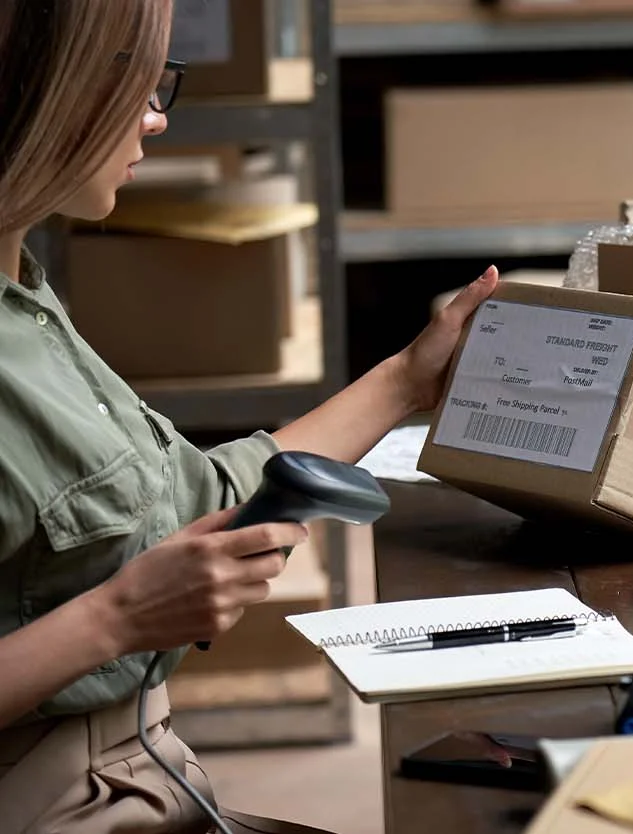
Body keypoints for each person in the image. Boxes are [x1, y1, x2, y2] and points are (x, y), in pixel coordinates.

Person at [0, 2, 499, 831]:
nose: (155, 116)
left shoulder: (26, 298)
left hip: (144, 773)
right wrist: (115, 617)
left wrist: (410, 381)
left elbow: (190, 496)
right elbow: (126, 584)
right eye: (130, 81)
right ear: (36, 90)